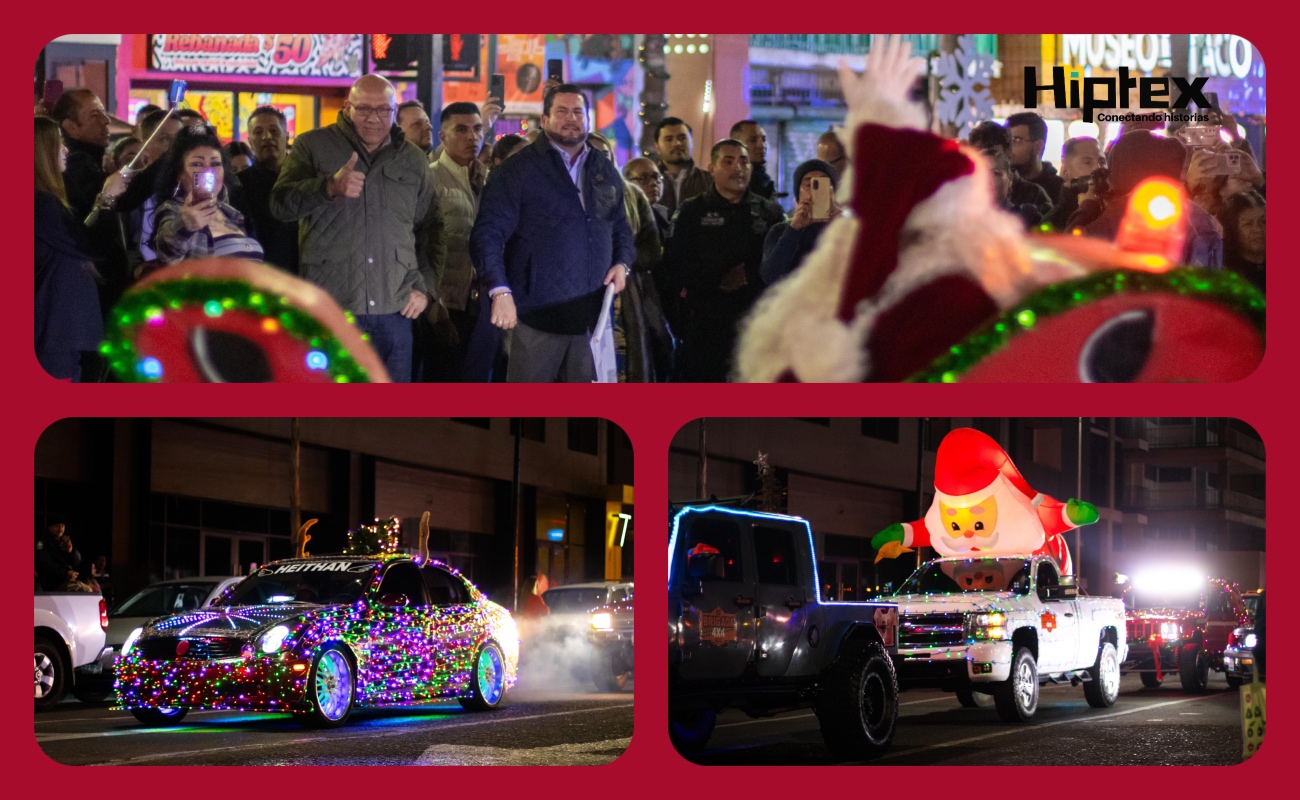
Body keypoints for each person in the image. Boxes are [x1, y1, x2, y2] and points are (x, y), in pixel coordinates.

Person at [271, 74, 442, 383]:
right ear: (348, 107)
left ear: (395, 111)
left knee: (390, 423)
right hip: (332, 310)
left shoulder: (414, 160)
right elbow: (279, 206)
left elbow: (431, 228)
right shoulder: (313, 145)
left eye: (383, 110)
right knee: (328, 423)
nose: (374, 119)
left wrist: (426, 288)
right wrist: (327, 187)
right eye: (364, 109)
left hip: (396, 310)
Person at [470, 83, 634, 382]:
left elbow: (621, 226)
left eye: (577, 112)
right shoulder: (517, 170)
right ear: (544, 120)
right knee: (528, 418)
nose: (571, 118)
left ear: (588, 119)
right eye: (561, 111)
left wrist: (623, 263)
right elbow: (488, 233)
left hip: (592, 320)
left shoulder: (604, 168)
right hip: (536, 317)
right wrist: (499, 289)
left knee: (584, 421)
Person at [665, 139, 785, 381]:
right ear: (712, 168)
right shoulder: (693, 211)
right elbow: (675, 264)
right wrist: (717, 281)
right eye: (728, 162)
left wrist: (749, 274)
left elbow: (779, 262)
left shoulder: (768, 211)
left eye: (743, 161)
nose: (737, 168)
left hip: (755, 321)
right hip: (706, 323)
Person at [1070, 130, 1222, 268]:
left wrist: (1087, 205)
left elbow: (1070, 256)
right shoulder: (1197, 215)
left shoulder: (1119, 215)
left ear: (1124, 168)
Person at [420, 101, 489, 382]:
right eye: (461, 129)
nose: (471, 137)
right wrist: (437, 310)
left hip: (480, 304)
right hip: (444, 305)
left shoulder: (489, 179)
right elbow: (420, 246)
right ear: (443, 136)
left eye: (477, 129)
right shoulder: (430, 177)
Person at [34, 116, 102, 381]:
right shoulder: (43, 204)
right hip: (53, 332)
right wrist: (106, 201)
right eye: (58, 143)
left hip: (56, 331)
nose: (66, 149)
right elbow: (88, 245)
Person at [150, 125, 264, 265]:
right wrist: (186, 226)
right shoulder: (174, 210)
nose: (208, 171)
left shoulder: (232, 213)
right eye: (197, 164)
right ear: (180, 174)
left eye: (216, 163)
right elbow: (166, 250)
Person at [238, 106, 298, 273]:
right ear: (250, 141)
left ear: (286, 136)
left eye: (274, 130)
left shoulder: (306, 179)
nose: (266, 137)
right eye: (258, 132)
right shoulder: (239, 186)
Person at [761, 159, 840, 285]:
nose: (814, 191)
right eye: (809, 185)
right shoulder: (781, 230)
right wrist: (793, 230)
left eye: (823, 185)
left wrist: (842, 225)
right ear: (798, 192)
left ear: (833, 191)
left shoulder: (846, 226)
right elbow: (770, 276)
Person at [969, 121, 1053, 222]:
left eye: (993, 151)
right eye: (979, 153)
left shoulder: (1033, 195)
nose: (987, 159)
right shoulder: (961, 194)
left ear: (1008, 153)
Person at [655, 117, 712, 217]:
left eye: (682, 138)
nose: (676, 144)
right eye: (669, 139)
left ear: (692, 142)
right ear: (657, 147)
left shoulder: (709, 180)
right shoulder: (649, 182)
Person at [1046, 136, 1105, 230]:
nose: (1098, 168)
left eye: (1102, 162)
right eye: (1087, 162)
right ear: (1065, 172)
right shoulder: (1054, 221)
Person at [1005, 111, 1064, 204]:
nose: (1008, 147)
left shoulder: (1060, 190)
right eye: (1006, 140)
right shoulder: (1002, 186)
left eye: (1016, 140)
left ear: (1038, 146)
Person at [1218, 190, 1265, 291]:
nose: (1258, 229)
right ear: (1232, 230)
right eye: (1248, 224)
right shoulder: (1225, 274)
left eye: (1263, 221)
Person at [731, 120, 775, 199]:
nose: (761, 146)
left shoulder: (765, 181)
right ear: (736, 146)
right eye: (753, 140)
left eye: (764, 140)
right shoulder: (731, 182)